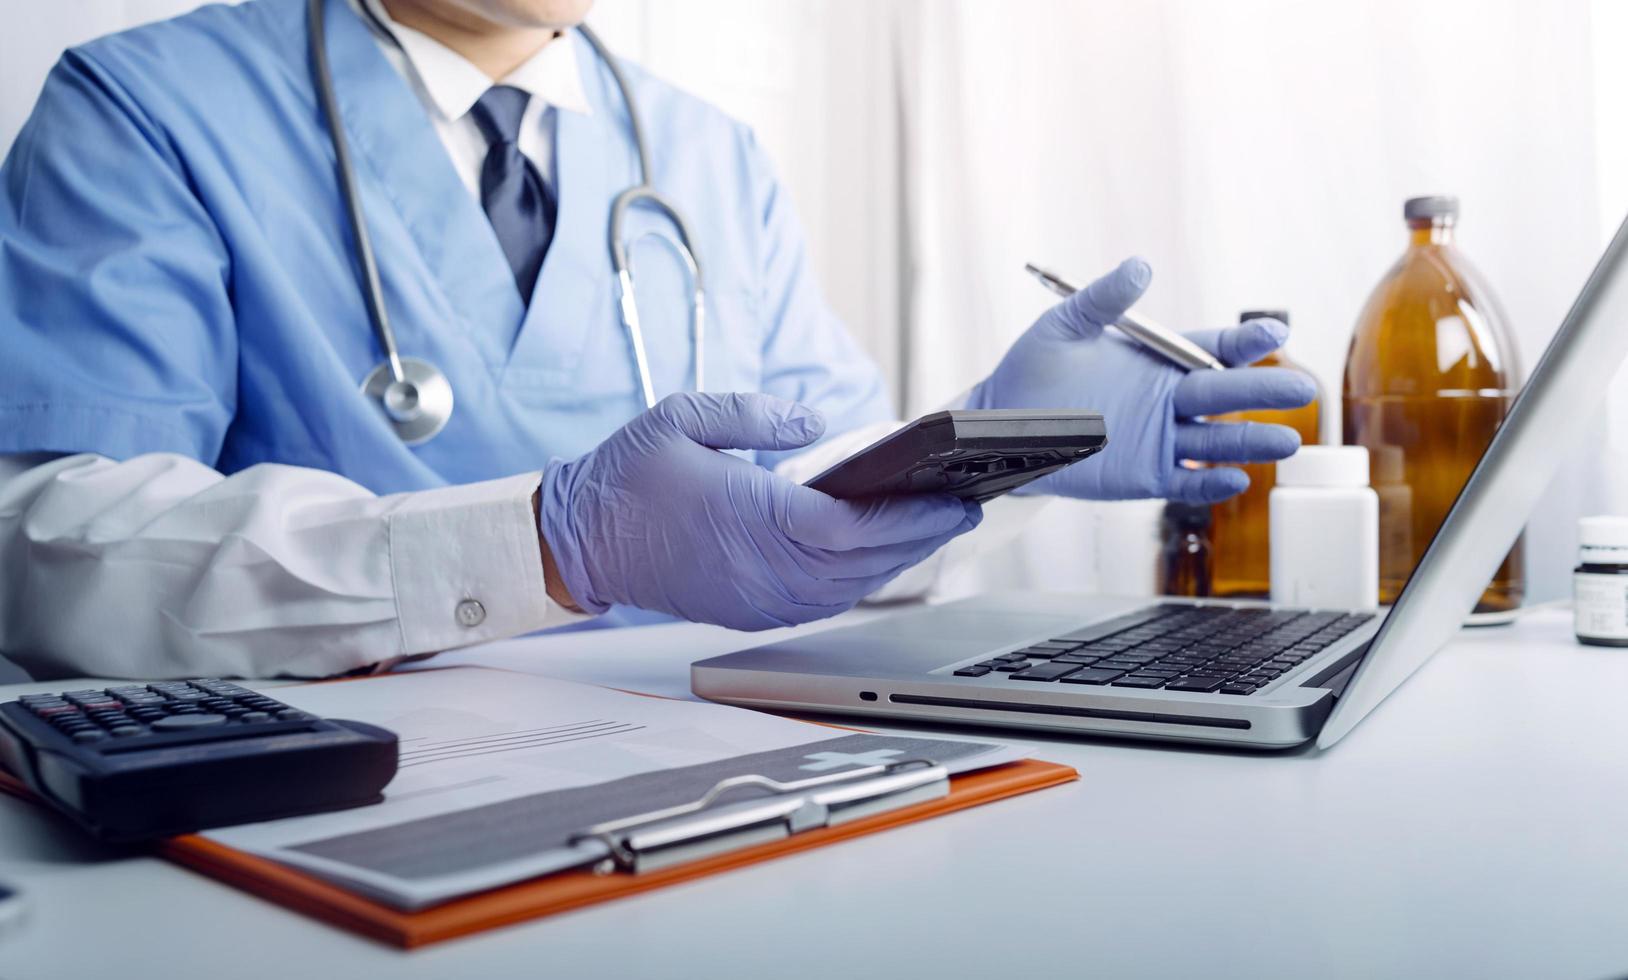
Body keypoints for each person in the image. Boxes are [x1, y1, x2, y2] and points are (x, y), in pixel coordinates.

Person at [0, 0, 1315, 680]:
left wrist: (997, 443)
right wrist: (544, 544)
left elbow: (816, 494)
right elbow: (50, 553)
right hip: (326, 813)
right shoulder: (148, 108)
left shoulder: (707, 155)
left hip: (703, 767)